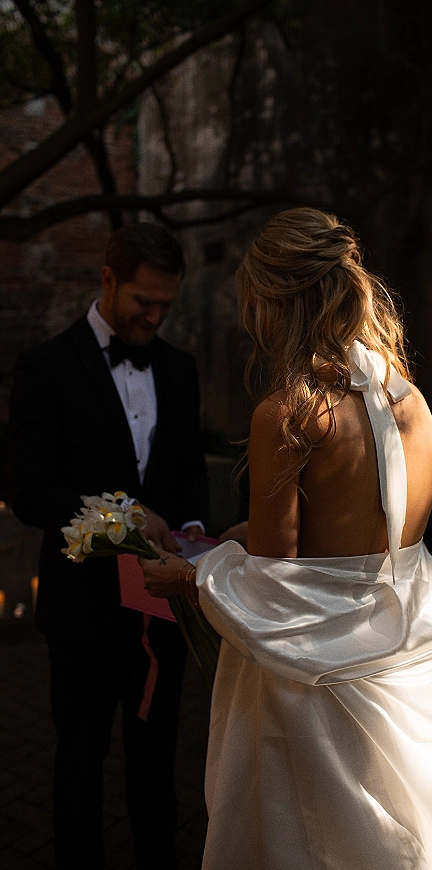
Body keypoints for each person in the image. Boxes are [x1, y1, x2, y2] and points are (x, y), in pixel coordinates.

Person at [141, 207, 432, 869]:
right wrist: (240, 536)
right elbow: (362, 544)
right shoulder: (409, 402)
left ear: (273, 302)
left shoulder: (290, 413)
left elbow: (275, 581)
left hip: (313, 691)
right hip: (399, 660)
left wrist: (187, 575)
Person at [9, 223, 209, 870]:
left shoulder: (181, 369)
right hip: (82, 613)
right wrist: (123, 519)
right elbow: (29, 492)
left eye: (165, 306)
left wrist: (196, 540)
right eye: (142, 302)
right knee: (79, 765)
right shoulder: (44, 367)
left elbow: (190, 480)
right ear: (108, 280)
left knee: (157, 766)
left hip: (164, 610)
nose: (154, 317)